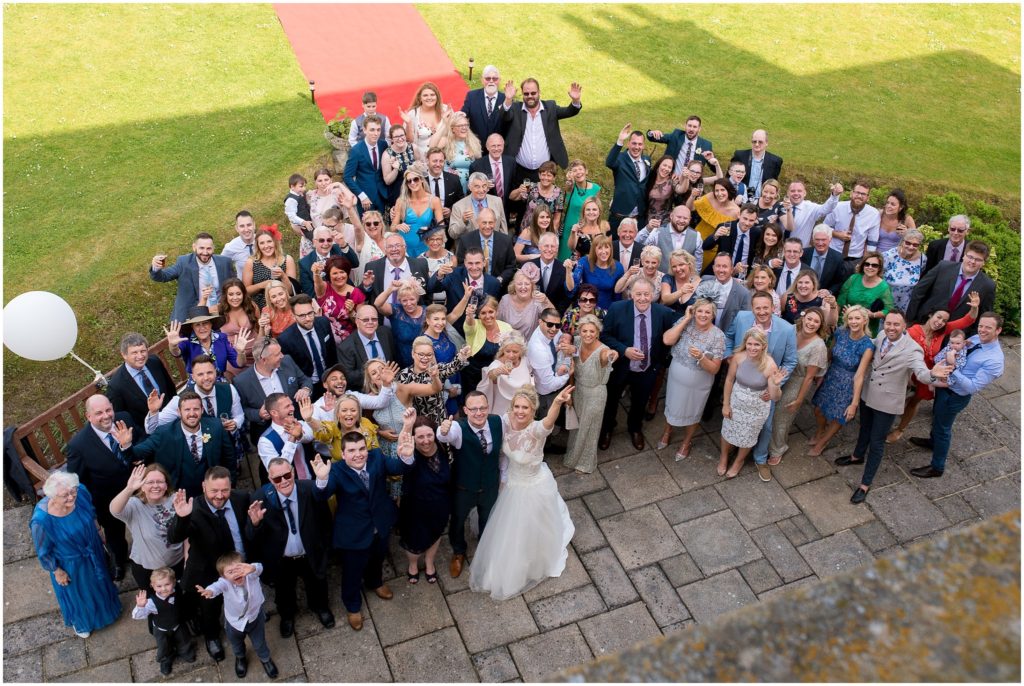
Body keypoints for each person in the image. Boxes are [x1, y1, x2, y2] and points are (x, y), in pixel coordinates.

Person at [468, 384, 576, 600]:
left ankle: (530, 564)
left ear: (532, 410)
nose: (519, 411)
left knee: (529, 528)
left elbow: (549, 422)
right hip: (511, 483)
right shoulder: (506, 421)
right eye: (516, 406)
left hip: (532, 486)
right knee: (507, 529)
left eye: (525, 408)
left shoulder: (537, 430)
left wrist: (556, 402)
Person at [310, 429, 414, 631]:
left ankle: (375, 582)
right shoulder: (337, 470)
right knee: (352, 571)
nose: (358, 454)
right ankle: (352, 605)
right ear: (344, 453)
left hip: (380, 523)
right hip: (354, 532)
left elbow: (398, 468)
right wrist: (321, 479)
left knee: (378, 557)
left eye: (361, 449)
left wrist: (407, 456)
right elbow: (320, 496)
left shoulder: (376, 457)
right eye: (351, 450)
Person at [840, 310, 949, 503]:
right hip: (868, 393)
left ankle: (865, 484)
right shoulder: (881, 335)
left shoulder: (913, 349)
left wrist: (934, 373)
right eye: (888, 323)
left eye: (896, 324)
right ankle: (857, 456)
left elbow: (921, 373)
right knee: (864, 428)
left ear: (904, 326)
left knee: (877, 442)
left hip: (887, 402)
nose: (891, 328)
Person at [166, 466, 251, 662]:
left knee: (245, 596)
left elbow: (247, 527)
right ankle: (212, 637)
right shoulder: (193, 509)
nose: (220, 496)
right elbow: (175, 536)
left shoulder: (241, 498)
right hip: (207, 571)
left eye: (225, 490)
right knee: (209, 610)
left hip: (240, 566)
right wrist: (182, 517)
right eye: (214, 490)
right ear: (204, 486)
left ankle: (248, 618)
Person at [907, 312, 1006, 479]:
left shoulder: (994, 361)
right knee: (937, 418)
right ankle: (933, 442)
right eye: (981, 325)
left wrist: (953, 368)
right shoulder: (976, 339)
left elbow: (972, 387)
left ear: (998, 330)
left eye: (988, 327)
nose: (982, 330)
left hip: (954, 395)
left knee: (943, 429)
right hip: (944, 387)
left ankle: (937, 467)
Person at [246, 457, 334, 638]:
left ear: (293, 472)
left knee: (317, 582)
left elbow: (325, 519)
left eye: (287, 475)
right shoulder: (260, 498)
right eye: (277, 479)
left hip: (309, 553)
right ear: (270, 480)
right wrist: (255, 524)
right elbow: (251, 537)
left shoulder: (309, 489)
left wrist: (325, 548)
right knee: (284, 591)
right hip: (282, 559)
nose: (284, 481)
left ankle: (321, 607)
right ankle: (287, 616)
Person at [30, 471, 122, 638]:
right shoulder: (41, 521)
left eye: (73, 491)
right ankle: (83, 623)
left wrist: (98, 531)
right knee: (81, 594)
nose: (72, 497)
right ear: (52, 496)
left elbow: (92, 513)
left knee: (100, 584)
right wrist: (57, 571)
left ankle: (108, 609)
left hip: (93, 549)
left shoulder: (81, 492)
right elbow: (44, 552)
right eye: (65, 495)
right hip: (71, 563)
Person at [722, 291, 799, 480]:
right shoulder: (741, 318)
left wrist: (775, 384)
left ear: (773, 307)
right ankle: (729, 451)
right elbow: (729, 337)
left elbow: (790, 362)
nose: (762, 311)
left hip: (765, 390)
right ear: (752, 308)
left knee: (766, 426)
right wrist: (730, 357)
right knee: (732, 419)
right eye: (758, 308)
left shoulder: (787, 329)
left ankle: (760, 458)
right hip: (742, 381)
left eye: (766, 307)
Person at [599, 278, 680, 451]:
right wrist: (624, 350)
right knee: (611, 400)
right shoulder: (617, 309)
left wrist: (659, 364)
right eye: (638, 294)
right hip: (620, 368)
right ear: (630, 294)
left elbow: (667, 340)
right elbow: (605, 336)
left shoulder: (664, 313)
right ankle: (607, 429)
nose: (642, 298)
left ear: (653, 295)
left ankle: (635, 429)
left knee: (640, 402)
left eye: (646, 294)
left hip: (647, 369)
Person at [886, 295, 980, 443]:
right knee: (895, 401)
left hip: (929, 374)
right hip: (908, 374)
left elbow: (969, 320)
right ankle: (884, 425)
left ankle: (900, 430)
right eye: (938, 317)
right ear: (931, 315)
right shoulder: (912, 332)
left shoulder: (942, 330)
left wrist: (974, 307)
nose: (940, 322)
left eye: (944, 320)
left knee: (914, 402)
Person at [65, 394, 138, 581]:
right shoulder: (78, 445)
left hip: (139, 487)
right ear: (88, 416)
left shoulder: (125, 419)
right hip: (107, 497)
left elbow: (143, 444)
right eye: (99, 413)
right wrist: (91, 512)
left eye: (108, 410)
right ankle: (120, 561)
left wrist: (127, 446)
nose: (106, 416)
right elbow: (77, 482)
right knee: (114, 534)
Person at [122, 390, 236, 498]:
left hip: (213, 490)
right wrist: (126, 445)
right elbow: (136, 455)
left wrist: (230, 484)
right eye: (187, 410)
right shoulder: (164, 433)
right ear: (179, 412)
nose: (192, 414)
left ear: (202, 410)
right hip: (178, 493)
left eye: (196, 409)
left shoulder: (216, 427)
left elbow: (229, 458)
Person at [658, 299, 725, 460]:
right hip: (676, 376)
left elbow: (715, 369)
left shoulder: (718, 336)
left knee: (694, 411)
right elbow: (667, 340)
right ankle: (667, 432)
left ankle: (686, 442)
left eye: (707, 312)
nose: (703, 315)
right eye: (699, 311)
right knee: (672, 405)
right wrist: (687, 319)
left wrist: (701, 357)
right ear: (693, 311)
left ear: (713, 315)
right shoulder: (685, 322)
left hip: (699, 383)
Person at [196, 553, 278, 679]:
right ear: (223, 576)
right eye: (230, 572)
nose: (236, 573)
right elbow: (216, 587)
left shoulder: (251, 574)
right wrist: (209, 591)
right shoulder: (224, 583)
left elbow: (259, 567)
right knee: (236, 643)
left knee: (260, 642)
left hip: (255, 617)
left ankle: (265, 658)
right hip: (234, 623)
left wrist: (252, 568)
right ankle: (240, 658)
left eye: (238, 568)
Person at [809, 306, 875, 457]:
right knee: (818, 410)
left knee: (839, 417)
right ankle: (820, 430)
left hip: (848, 383)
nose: (853, 321)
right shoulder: (840, 332)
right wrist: (821, 374)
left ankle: (823, 442)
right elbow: (830, 353)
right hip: (831, 376)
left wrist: (854, 403)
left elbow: (860, 375)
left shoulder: (867, 346)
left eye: (857, 318)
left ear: (865, 320)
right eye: (850, 318)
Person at [719, 329, 786, 478]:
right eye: (749, 344)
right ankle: (723, 457)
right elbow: (729, 380)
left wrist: (775, 385)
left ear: (763, 346)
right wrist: (726, 404)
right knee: (727, 431)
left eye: (756, 344)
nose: (752, 348)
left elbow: (775, 397)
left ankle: (738, 461)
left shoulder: (770, 365)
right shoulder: (738, 357)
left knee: (748, 436)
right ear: (745, 343)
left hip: (757, 408)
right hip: (736, 402)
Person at [110, 464, 185, 592]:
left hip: (177, 563)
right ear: (142, 486)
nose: (155, 485)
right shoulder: (134, 504)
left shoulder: (176, 499)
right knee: (154, 604)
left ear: (166, 485)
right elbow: (114, 510)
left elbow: (186, 531)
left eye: (160, 481)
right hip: (148, 569)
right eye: (149, 482)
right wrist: (129, 488)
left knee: (177, 599)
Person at [768, 307, 829, 464]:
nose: (811, 323)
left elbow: (809, 378)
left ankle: (777, 448)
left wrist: (799, 400)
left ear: (820, 325)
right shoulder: (792, 329)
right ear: (803, 317)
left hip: (797, 380)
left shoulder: (818, 346)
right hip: (777, 372)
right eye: (809, 319)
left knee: (781, 416)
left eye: (816, 321)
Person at [397, 410, 451, 584]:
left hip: (440, 504)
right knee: (414, 539)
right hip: (415, 506)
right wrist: (407, 425)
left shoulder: (443, 448)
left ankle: (429, 562)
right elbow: (403, 449)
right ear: (413, 438)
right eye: (420, 437)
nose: (426, 440)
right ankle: (413, 564)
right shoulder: (409, 454)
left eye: (429, 435)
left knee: (435, 533)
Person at [563, 315, 617, 474]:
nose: (588, 334)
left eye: (592, 331)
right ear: (580, 331)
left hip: (595, 394)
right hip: (578, 390)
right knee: (577, 426)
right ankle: (573, 457)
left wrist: (612, 354)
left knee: (590, 428)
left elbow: (609, 355)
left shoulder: (603, 350)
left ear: (597, 332)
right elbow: (572, 368)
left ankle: (586, 463)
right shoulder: (577, 342)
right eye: (585, 331)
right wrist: (570, 393)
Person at [232, 337, 313, 443]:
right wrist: (258, 414)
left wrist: (306, 389)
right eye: (277, 354)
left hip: (298, 426)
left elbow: (305, 380)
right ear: (263, 359)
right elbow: (242, 410)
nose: (282, 356)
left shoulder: (287, 361)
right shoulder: (242, 381)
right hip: (269, 435)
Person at [501, 77, 582, 183]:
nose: (530, 96)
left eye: (533, 93)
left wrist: (575, 100)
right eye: (526, 93)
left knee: (542, 198)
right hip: (519, 169)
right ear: (522, 94)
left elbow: (569, 111)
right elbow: (505, 116)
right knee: (518, 198)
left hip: (544, 172)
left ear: (539, 92)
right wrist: (508, 99)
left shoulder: (550, 108)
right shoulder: (516, 108)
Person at [906, 240, 995, 334]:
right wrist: (910, 319)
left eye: (978, 260)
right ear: (964, 255)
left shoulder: (988, 285)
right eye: (970, 257)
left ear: (984, 263)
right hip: (925, 324)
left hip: (955, 335)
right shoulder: (943, 267)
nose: (972, 262)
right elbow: (919, 291)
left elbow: (984, 316)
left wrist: (972, 337)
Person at [150, 232, 235, 322]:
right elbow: (163, 276)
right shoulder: (184, 262)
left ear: (213, 248)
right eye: (201, 248)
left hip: (219, 314)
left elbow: (235, 286)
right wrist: (156, 268)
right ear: (194, 247)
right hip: (190, 317)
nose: (205, 252)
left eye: (209, 248)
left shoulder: (225, 262)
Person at [131, 567, 196, 676]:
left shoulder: (177, 591)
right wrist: (140, 606)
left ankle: (186, 653)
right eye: (159, 586)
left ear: (174, 582)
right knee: (164, 647)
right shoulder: (151, 602)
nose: (164, 589)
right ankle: (166, 660)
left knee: (184, 640)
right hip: (162, 629)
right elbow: (137, 616)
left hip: (178, 624)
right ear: (152, 585)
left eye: (167, 584)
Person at [397, 336, 470, 427]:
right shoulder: (403, 376)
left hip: (440, 424)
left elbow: (452, 367)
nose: (425, 358)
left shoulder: (436, 369)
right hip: (418, 428)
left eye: (429, 355)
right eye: (421, 354)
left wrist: (462, 356)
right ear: (413, 354)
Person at [165, 305, 249, 382]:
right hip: (197, 385)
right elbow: (177, 353)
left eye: (205, 323)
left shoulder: (221, 338)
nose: (202, 328)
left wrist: (240, 352)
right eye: (197, 325)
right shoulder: (187, 341)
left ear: (211, 324)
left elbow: (239, 364)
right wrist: (173, 346)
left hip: (220, 382)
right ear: (192, 327)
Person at [428, 247, 496, 333]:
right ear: (465, 263)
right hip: (456, 329)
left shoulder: (494, 283)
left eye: (477, 263)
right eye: (470, 263)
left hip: (482, 330)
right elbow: (432, 289)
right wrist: (439, 275)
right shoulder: (454, 275)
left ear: (484, 263)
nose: (474, 267)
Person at [526, 307, 574, 419]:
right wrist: (568, 374)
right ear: (540, 322)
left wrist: (571, 350)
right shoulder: (538, 350)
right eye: (550, 324)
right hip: (546, 394)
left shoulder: (552, 332)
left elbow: (564, 341)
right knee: (546, 424)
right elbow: (549, 385)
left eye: (557, 326)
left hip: (556, 381)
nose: (554, 329)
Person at [337, 304, 397, 389]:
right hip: (366, 391)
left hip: (391, 385)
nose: (370, 322)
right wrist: (373, 373)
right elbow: (349, 377)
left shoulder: (386, 333)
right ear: (357, 322)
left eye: (374, 319)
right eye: (365, 320)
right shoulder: (346, 347)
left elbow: (394, 359)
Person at [362, 232, 432, 306]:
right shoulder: (372, 267)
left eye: (398, 245)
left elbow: (428, 292)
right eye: (390, 246)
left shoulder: (420, 264)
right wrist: (367, 287)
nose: (394, 249)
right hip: (383, 316)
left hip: (413, 316)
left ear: (405, 248)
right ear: (385, 249)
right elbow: (364, 297)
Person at [605, 124, 652, 234]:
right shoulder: (620, 158)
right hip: (620, 216)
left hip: (639, 217)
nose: (637, 147)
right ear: (628, 143)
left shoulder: (647, 160)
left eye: (640, 144)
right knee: (614, 248)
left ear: (643, 145)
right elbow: (609, 162)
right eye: (634, 143)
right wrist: (620, 140)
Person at [456, 207, 518, 286]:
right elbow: (461, 265)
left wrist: (499, 280)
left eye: (491, 222)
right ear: (478, 222)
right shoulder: (465, 240)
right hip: (473, 286)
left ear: (495, 222)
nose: (488, 226)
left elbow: (511, 266)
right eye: (484, 223)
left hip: (499, 286)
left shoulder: (506, 241)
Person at [392, 164, 443, 259]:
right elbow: (392, 228)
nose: (412, 183)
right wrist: (397, 226)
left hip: (426, 247)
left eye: (415, 179)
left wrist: (430, 229)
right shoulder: (401, 201)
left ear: (421, 180)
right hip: (405, 248)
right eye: (409, 181)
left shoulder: (434, 200)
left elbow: (441, 226)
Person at [837, 252, 895, 335]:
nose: (870, 267)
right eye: (867, 264)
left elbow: (888, 310)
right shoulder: (853, 278)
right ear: (863, 265)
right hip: (846, 322)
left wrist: (873, 315)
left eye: (874, 265)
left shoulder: (883, 287)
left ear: (879, 268)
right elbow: (840, 301)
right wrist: (834, 321)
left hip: (867, 328)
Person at [478, 331, 533, 417]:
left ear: (521, 351)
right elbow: (491, 375)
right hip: (503, 410)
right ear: (503, 350)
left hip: (523, 409)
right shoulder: (497, 364)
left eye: (515, 352)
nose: (511, 355)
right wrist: (497, 371)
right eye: (508, 351)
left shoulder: (525, 361)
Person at [242, 227, 297, 311]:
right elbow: (245, 291)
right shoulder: (252, 262)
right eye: (262, 243)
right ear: (258, 245)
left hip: (283, 308)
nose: (266, 246)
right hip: (260, 309)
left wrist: (283, 276)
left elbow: (290, 291)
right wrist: (261, 285)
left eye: (269, 241)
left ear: (275, 242)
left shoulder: (287, 260)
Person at [375, 280, 428, 368]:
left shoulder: (426, 311)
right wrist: (390, 289)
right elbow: (378, 304)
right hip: (402, 362)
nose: (409, 303)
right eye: (404, 300)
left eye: (412, 299)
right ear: (399, 300)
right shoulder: (396, 310)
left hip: (424, 361)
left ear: (417, 298)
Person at [313, 256, 366, 345]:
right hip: (326, 339)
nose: (339, 276)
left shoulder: (357, 293)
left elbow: (362, 323)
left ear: (347, 273)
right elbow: (318, 283)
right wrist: (316, 273)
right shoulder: (324, 288)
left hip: (349, 342)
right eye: (335, 273)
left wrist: (352, 313)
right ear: (329, 275)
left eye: (342, 272)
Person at [343, 114, 389, 215]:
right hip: (366, 199)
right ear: (364, 130)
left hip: (383, 195)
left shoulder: (383, 145)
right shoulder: (356, 151)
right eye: (372, 130)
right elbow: (347, 177)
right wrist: (361, 195)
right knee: (369, 227)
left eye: (378, 130)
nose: (376, 133)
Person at [691, 179, 741, 270]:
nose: (719, 193)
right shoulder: (710, 197)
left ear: (729, 190)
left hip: (711, 248)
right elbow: (692, 207)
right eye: (716, 190)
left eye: (722, 190)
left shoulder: (736, 212)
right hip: (695, 238)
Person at [215, 278, 261, 377]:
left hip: (256, 354)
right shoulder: (219, 310)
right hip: (234, 358)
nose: (235, 298)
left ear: (243, 294)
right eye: (231, 294)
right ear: (225, 295)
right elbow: (199, 314)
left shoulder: (251, 306)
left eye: (238, 294)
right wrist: (204, 299)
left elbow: (259, 328)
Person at [298, 224, 358, 299]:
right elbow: (309, 293)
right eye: (321, 240)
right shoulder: (305, 263)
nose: (326, 244)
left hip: (348, 296)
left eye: (329, 240)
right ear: (314, 242)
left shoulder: (338, 249)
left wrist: (343, 244)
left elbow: (355, 264)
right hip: (325, 302)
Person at [697, 253, 752, 334]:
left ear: (732, 269)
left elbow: (743, 324)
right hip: (700, 332)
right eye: (718, 266)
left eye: (725, 266)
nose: (721, 270)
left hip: (726, 338)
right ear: (713, 268)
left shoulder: (743, 294)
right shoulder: (705, 280)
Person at [825, 180, 880, 260]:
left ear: (868, 198)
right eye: (857, 192)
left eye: (863, 194)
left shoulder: (873, 214)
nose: (859, 196)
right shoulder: (837, 207)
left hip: (855, 259)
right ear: (851, 194)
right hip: (833, 253)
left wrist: (867, 261)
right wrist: (837, 234)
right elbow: (824, 228)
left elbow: (872, 242)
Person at [702, 202, 761, 277]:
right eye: (745, 218)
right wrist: (715, 235)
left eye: (751, 220)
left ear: (756, 220)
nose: (747, 223)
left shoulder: (756, 233)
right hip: (720, 273)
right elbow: (705, 246)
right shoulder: (726, 227)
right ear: (739, 215)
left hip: (742, 276)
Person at [560, 159, 603, 260]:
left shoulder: (596, 189)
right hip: (570, 227)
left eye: (580, 169)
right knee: (565, 256)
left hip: (587, 228)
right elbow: (568, 185)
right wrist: (570, 180)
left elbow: (598, 209)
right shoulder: (571, 186)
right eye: (574, 170)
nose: (578, 172)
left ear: (586, 171)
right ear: (571, 174)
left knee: (583, 257)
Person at [780, 180, 842, 246]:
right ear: (787, 193)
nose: (796, 193)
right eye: (792, 191)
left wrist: (834, 196)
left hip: (800, 252)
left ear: (805, 193)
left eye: (799, 191)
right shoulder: (780, 206)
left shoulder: (811, 208)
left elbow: (826, 209)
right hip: (779, 250)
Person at [498, 266, 554, 339]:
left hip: (530, 347)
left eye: (527, 284)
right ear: (514, 285)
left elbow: (553, 318)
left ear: (532, 286)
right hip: (508, 346)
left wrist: (546, 300)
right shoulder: (505, 300)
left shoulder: (537, 301)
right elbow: (497, 324)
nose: (523, 287)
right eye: (519, 284)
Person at [450, 171, 509, 239]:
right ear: (470, 187)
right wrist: (463, 221)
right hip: (470, 248)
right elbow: (453, 234)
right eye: (477, 187)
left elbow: (503, 229)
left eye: (484, 186)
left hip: (493, 246)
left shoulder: (497, 201)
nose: (481, 190)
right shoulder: (458, 206)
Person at [510, 160, 565, 233]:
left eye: (549, 175)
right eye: (543, 174)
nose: (545, 178)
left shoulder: (558, 193)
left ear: (554, 178)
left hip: (546, 231)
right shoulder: (531, 187)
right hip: (528, 229)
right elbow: (512, 197)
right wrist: (519, 190)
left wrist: (550, 236)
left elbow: (556, 219)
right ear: (539, 175)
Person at [646, 115, 714, 173]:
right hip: (670, 178)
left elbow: (714, 169)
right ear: (685, 126)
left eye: (694, 127)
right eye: (689, 126)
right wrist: (652, 133)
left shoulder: (706, 145)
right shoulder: (676, 136)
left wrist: (713, 161)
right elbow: (652, 137)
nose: (691, 129)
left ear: (699, 129)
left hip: (690, 182)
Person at [400, 82, 449, 161]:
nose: (429, 98)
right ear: (420, 98)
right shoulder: (413, 114)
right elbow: (409, 141)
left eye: (432, 95)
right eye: (425, 95)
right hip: (422, 160)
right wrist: (408, 124)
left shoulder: (446, 109)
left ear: (437, 96)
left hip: (445, 159)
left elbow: (454, 132)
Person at [881, 229, 927, 311]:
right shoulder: (889, 255)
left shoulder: (922, 259)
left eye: (915, 245)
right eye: (908, 243)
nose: (911, 247)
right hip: (885, 302)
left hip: (906, 305)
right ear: (902, 241)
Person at [730, 129, 783, 200]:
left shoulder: (775, 161)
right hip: (740, 199)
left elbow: (774, 184)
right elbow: (729, 177)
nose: (757, 144)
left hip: (763, 201)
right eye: (754, 141)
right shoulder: (740, 155)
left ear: (766, 143)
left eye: (760, 142)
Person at [437, 111, 481, 193]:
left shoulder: (474, 142)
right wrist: (444, 123)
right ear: (452, 128)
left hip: (471, 186)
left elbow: (479, 165)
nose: (464, 128)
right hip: (451, 184)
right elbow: (432, 150)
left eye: (466, 125)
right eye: (460, 125)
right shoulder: (445, 141)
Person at [578, 235, 625, 310]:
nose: (604, 251)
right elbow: (575, 285)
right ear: (594, 250)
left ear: (610, 249)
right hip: (587, 307)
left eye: (606, 247)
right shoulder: (584, 262)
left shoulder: (618, 267)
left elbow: (617, 296)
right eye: (600, 248)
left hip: (607, 310)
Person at [461, 64, 506, 140]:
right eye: (488, 78)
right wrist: (460, 115)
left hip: (497, 148)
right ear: (482, 80)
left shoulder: (506, 99)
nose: (491, 81)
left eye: (495, 79)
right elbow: (464, 113)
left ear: (499, 80)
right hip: (476, 146)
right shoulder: (472, 96)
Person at [802, 224, 849, 295]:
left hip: (823, 298)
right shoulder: (803, 254)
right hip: (802, 294)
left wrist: (829, 292)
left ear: (830, 239)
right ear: (813, 239)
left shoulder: (837, 258)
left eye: (823, 240)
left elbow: (839, 282)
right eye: (817, 239)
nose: (820, 243)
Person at [382, 124, 417, 210]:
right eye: (396, 136)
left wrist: (418, 166)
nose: (400, 138)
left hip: (415, 192)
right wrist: (395, 169)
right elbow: (387, 181)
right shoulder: (387, 154)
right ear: (391, 139)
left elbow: (423, 168)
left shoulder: (413, 148)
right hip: (398, 195)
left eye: (402, 135)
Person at [425, 147, 465, 222]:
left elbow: (461, 201)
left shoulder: (454, 179)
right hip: (426, 223)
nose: (438, 164)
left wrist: (451, 210)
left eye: (441, 161)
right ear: (427, 161)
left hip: (448, 222)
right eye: (434, 161)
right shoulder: (420, 181)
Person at [568, 196, 610, 261]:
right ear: (584, 212)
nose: (591, 212)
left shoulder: (605, 226)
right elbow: (571, 247)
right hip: (579, 265)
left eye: (594, 209)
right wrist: (573, 232)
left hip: (599, 264)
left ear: (599, 212)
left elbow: (610, 249)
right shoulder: (578, 227)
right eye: (588, 209)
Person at [660, 249, 700, 314]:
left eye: (681, 265)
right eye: (674, 266)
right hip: (669, 321)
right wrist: (681, 291)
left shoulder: (700, 283)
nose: (678, 269)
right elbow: (665, 299)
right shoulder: (668, 278)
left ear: (689, 264)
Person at [284, 173, 315, 255]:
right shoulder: (291, 200)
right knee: (315, 239)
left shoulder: (300, 193)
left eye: (304, 186)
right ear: (292, 187)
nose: (304, 188)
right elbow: (291, 216)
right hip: (304, 225)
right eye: (301, 186)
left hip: (310, 220)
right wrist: (303, 222)